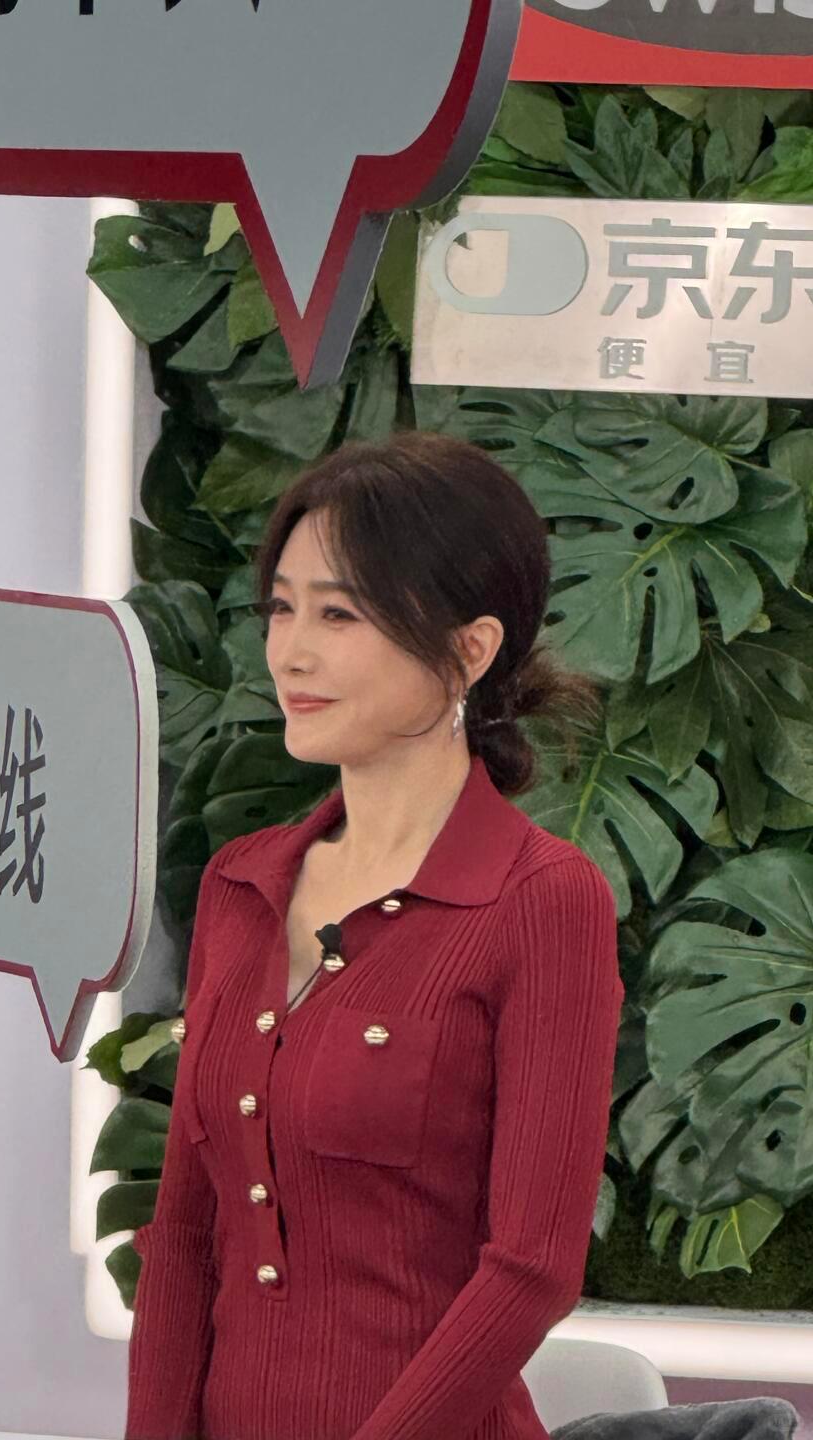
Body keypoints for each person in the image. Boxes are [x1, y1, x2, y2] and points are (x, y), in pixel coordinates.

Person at [125, 431, 625, 1440]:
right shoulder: (241, 883)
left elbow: (531, 1268)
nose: (291, 652)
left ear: (470, 650)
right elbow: (184, 1236)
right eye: (282, 608)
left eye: (340, 614)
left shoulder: (541, 900)